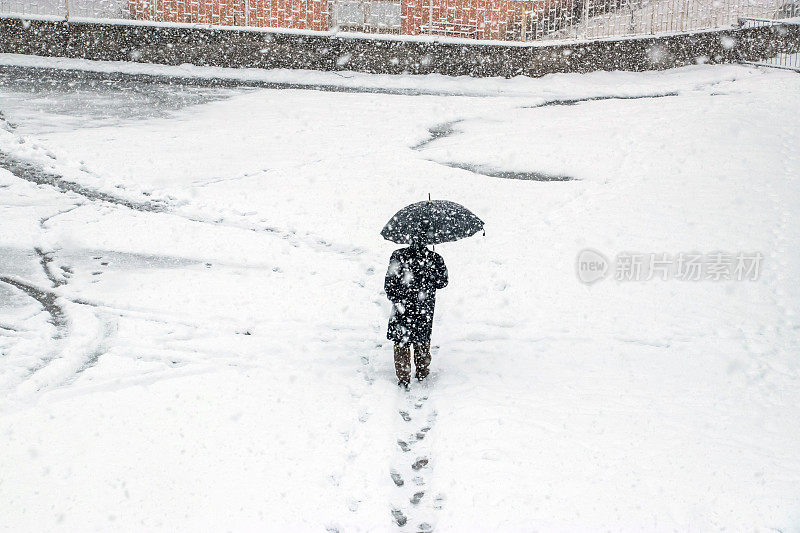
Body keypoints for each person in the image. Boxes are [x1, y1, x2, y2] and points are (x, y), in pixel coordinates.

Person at [384, 236, 448, 388]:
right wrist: (433, 268)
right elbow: (442, 282)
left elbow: (389, 283)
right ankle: (422, 373)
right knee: (422, 340)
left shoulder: (398, 255)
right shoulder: (434, 258)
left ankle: (403, 377)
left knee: (401, 341)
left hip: (402, 307)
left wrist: (397, 298)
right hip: (423, 307)